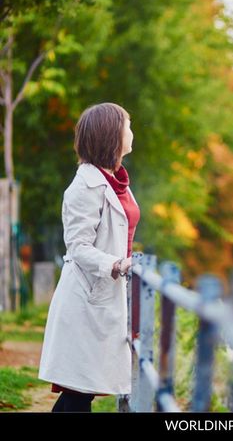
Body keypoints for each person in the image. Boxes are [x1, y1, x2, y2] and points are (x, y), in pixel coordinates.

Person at [38, 102, 140, 412]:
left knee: (82, 392)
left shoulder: (115, 179)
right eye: (128, 126)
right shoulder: (85, 186)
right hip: (86, 297)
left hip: (106, 296)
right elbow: (78, 246)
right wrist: (117, 263)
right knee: (78, 393)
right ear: (111, 135)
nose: (132, 132)